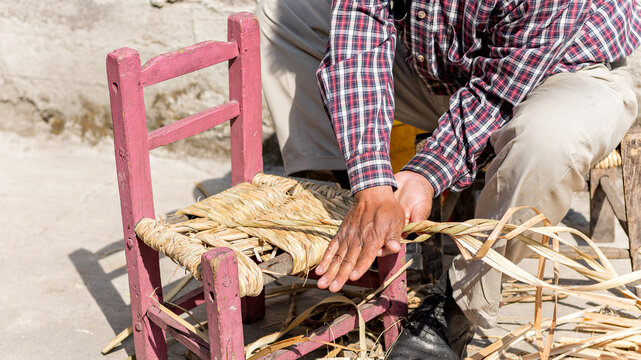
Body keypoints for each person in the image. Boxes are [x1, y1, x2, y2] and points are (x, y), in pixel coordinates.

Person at [256, 0, 641, 357]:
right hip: (436, 71)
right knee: (287, 10)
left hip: (560, 70)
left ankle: (458, 306)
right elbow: (359, 33)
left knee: (549, 139)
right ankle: (341, 216)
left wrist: (424, 174)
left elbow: (496, 95)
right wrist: (371, 183)